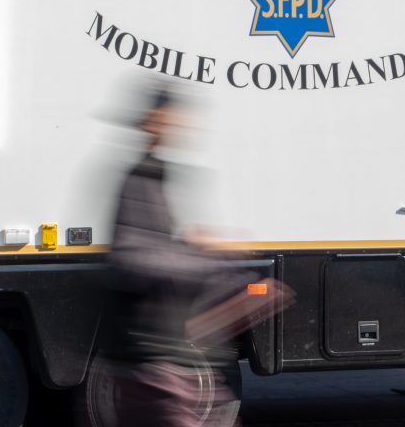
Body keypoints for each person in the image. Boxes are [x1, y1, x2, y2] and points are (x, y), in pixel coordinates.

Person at [92, 86, 290, 427]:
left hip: (166, 364)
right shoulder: (141, 177)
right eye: (174, 118)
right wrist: (206, 253)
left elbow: (158, 253)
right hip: (153, 367)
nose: (183, 126)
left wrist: (238, 281)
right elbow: (134, 257)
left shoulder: (155, 174)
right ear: (155, 121)